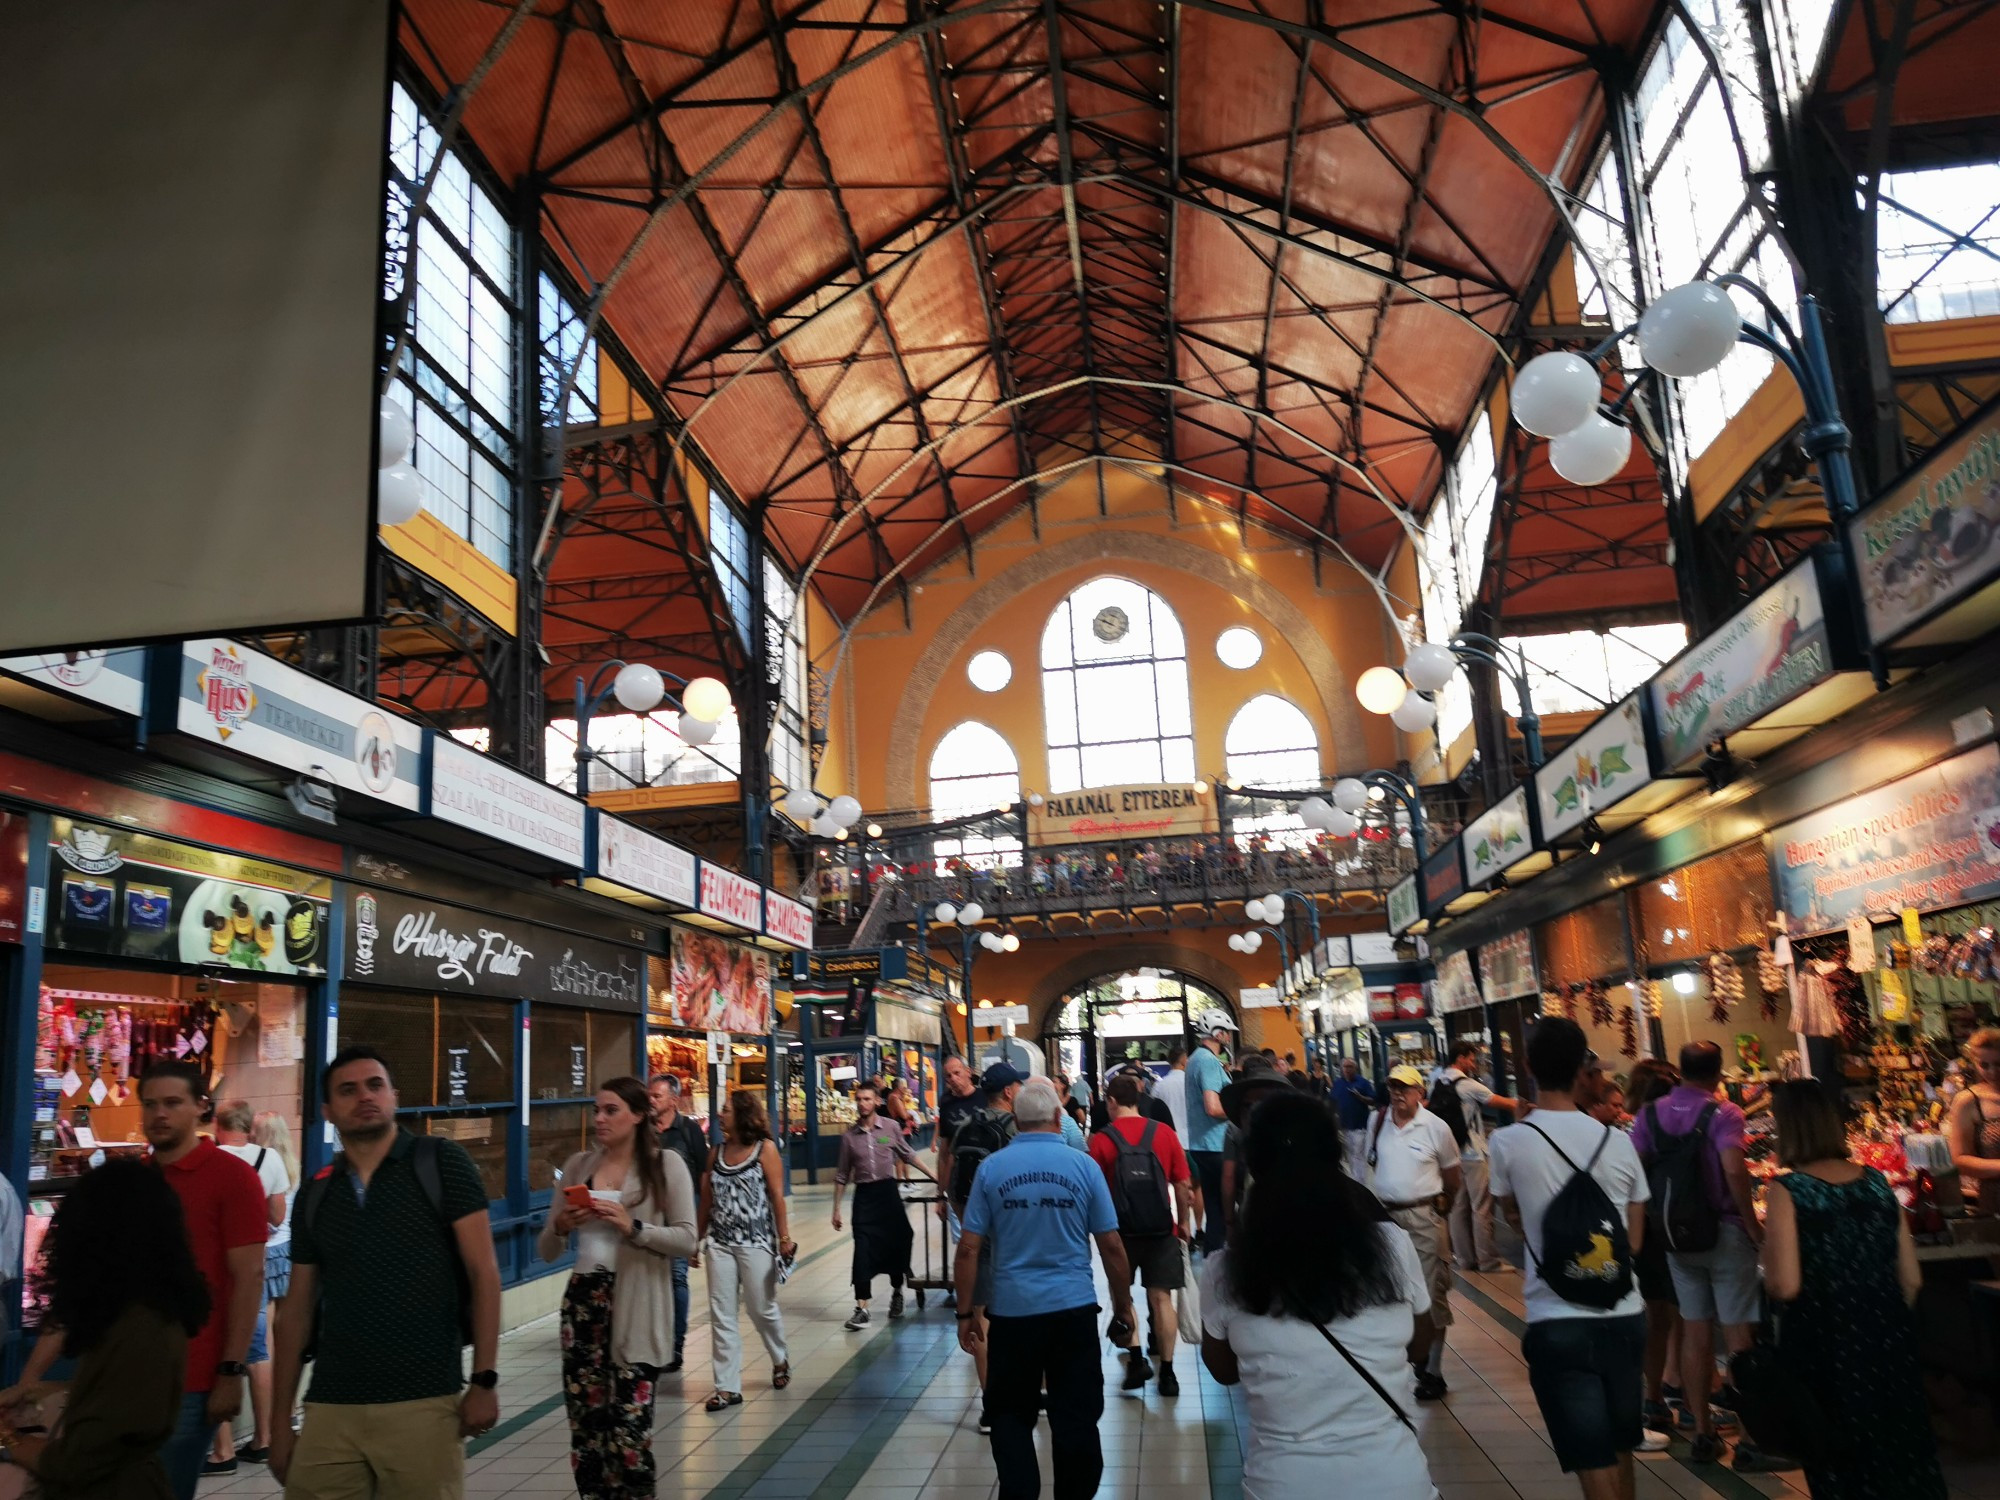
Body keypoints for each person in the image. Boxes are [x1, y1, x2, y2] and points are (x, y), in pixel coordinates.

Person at [270, 1046, 502, 1500]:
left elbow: (485, 1274)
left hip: (424, 1401)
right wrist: (279, 1424)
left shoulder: (441, 1163)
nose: (365, 1097)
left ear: (394, 1095)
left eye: (375, 1085)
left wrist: (484, 1381)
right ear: (328, 1110)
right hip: (331, 1404)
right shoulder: (317, 1194)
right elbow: (294, 1312)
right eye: (348, 1090)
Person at [1201, 1092, 1438, 1500]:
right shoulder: (1391, 1246)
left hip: (1281, 1483)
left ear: (1253, 1164)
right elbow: (1420, 1343)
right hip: (1395, 1480)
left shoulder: (1227, 1270)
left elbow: (1224, 1370)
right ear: (1336, 1158)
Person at [1489, 1019, 1650, 1500]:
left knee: (1590, 1453)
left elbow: (1510, 1214)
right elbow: (1635, 1242)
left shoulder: (1508, 1143)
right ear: (1585, 1069)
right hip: (1624, 1313)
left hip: (1556, 1318)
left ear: (1527, 1068)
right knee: (1622, 1442)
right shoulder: (1619, 1141)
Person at [1761, 1081, 1947, 1499]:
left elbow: (1785, 1285)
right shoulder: (1879, 1183)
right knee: (1901, 1449)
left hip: (1824, 1344)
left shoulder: (1789, 1191)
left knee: (1838, 1458)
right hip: (1887, 1338)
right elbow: (1912, 1277)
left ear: (1788, 1127)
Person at [955, 1079, 1134, 1500]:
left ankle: (1020, 1492)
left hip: (1012, 1314)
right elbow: (1111, 1245)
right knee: (1076, 1414)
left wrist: (965, 1315)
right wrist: (1123, 1306)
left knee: (1010, 1414)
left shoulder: (992, 1168)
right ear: (1059, 1117)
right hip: (1072, 1311)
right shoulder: (1083, 1166)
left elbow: (968, 1249)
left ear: (1015, 1120)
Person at [0, 1159, 212, 1499]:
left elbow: (81, 1459)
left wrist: (9, 1438)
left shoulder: (141, 1329)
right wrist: (31, 1390)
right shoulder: (139, 1313)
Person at [538, 1077, 698, 1497]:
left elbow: (687, 1238)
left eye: (611, 1110)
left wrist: (635, 1228)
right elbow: (547, 1249)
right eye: (596, 1110)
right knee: (588, 1434)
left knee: (629, 1435)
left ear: (639, 1115)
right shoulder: (578, 1166)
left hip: (637, 1305)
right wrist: (560, 1225)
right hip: (584, 1306)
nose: (599, 1119)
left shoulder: (666, 1165)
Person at [1628, 1040, 1778, 1469]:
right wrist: (1752, 1225)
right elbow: (1734, 1168)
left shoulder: (1649, 1114)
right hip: (1725, 1232)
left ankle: (1702, 1435)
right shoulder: (1723, 1112)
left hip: (1676, 1240)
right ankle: (1750, 1440)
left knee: (1695, 1331)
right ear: (1717, 1073)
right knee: (1738, 1339)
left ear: (1681, 1068)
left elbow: (1636, 1169)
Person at [1088, 1073, 1196, 1396]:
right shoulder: (1163, 1133)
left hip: (1120, 1233)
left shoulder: (1102, 1140)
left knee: (1123, 1297)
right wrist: (1185, 1223)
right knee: (1162, 1299)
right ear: (1139, 1098)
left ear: (1111, 1101)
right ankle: (1169, 1373)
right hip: (1162, 1228)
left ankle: (1136, 1359)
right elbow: (1182, 1184)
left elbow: (1095, 1190)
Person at [1362, 1063, 1462, 1400]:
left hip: (1423, 1216)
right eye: (1392, 1086)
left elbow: (1452, 1178)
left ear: (1420, 1092)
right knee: (1390, 1292)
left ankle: (1432, 1369)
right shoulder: (1377, 1121)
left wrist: (1439, 1208)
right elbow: (1369, 1166)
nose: (1397, 1093)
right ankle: (1405, 1358)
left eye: (1404, 1087)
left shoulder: (1436, 1128)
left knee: (1432, 1291)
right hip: (1386, 1220)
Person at [205, 1099, 293, 1476]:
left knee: (216, 1346)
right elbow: (277, 1215)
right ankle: (264, 1436)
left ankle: (222, 1450)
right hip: (256, 1259)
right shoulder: (269, 1159)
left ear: (217, 1125)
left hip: (216, 1265)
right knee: (258, 1351)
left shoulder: (210, 1158)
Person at [697, 1089, 794, 1412]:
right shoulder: (716, 1153)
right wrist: (695, 1241)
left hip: (757, 1242)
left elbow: (777, 1196)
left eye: (725, 1110)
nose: (720, 1115)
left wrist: (784, 1238)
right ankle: (727, 1387)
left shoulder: (764, 1149)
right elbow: (707, 1202)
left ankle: (779, 1357)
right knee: (721, 1313)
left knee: (760, 1308)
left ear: (741, 1114)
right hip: (720, 1243)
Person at [943, 1063, 1024, 1430]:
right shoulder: (1018, 1131)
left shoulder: (964, 1128)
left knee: (982, 1320)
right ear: (1008, 1092)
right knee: (1027, 1316)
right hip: (1015, 1238)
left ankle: (992, 1405)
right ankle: (1033, 1393)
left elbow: (953, 1183)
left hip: (979, 1235)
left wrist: (967, 1221)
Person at [831, 1079, 931, 1330]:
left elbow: (907, 1154)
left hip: (887, 1193)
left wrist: (936, 1177)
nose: (862, 1103)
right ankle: (861, 1308)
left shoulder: (889, 1128)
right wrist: (836, 1209)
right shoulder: (848, 1138)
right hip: (864, 1197)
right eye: (859, 1099)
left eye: (867, 1099)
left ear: (877, 1101)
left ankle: (897, 1290)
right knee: (862, 1249)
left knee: (898, 1240)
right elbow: (843, 1174)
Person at [1622, 1058, 1684, 1436]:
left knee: (1658, 1319)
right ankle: (1677, 1397)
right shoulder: (1662, 1125)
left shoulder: (1631, 1128)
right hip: (1672, 1230)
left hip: (1646, 1233)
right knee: (1683, 1316)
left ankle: (1656, 1396)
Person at [1434, 1040, 1522, 1273]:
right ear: (1461, 1058)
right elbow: (1505, 1103)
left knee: (1457, 1207)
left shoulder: (1439, 1080)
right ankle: (1488, 1261)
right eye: (1471, 1059)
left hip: (1452, 1154)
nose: (1473, 1063)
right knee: (1482, 1207)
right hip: (1473, 1154)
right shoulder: (1468, 1085)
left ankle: (1464, 1259)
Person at [649, 1073, 708, 1374]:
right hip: (648, 1216)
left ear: (673, 1100)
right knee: (650, 1281)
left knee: (676, 1278)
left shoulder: (688, 1130)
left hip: (681, 1217)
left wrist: (700, 1224)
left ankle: (675, 1345)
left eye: (656, 1096)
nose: (651, 1101)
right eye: (649, 1095)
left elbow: (703, 1176)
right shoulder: (643, 1130)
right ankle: (654, 1343)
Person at [1219, 1055, 1293, 1239]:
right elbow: (1228, 1177)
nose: (1256, 1112)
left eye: (1264, 1103)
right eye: (1248, 1106)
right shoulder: (1236, 1131)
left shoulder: (1300, 1137)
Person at [1184, 1012, 1235, 1251]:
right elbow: (1213, 1107)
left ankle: (1214, 1264)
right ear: (1218, 1033)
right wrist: (1241, 1109)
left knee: (1215, 1209)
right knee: (1225, 1211)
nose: (1229, 1038)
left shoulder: (1195, 1058)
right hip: (1216, 1145)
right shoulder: (1208, 1061)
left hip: (1202, 1144)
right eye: (1227, 1033)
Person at [1947, 1026, 2000, 1214]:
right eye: (1984, 1065)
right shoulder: (1968, 1101)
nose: (1992, 1071)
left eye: (1998, 1063)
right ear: (1974, 1063)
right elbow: (1960, 1160)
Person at [1331, 1058, 1377, 1178]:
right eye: (1345, 1067)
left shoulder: (1363, 1083)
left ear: (1355, 1068)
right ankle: (1354, 1178)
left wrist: (1360, 1097)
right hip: (1344, 1126)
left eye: (1350, 1067)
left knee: (1358, 1155)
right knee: (1349, 1156)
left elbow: (1373, 1101)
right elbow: (1333, 1101)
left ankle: (1360, 1182)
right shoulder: (1338, 1083)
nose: (1347, 1069)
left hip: (1359, 1126)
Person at [1155, 1044, 1193, 1140]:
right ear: (1184, 1061)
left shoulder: (1159, 1086)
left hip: (1168, 1139)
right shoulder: (1192, 1083)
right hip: (1190, 1139)